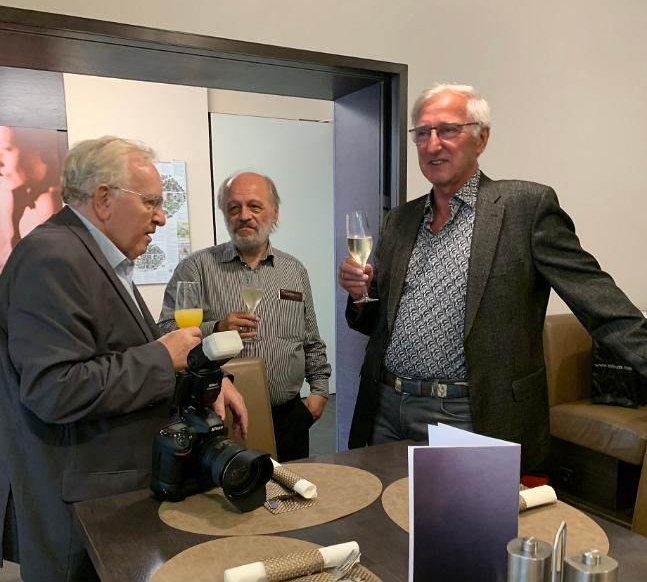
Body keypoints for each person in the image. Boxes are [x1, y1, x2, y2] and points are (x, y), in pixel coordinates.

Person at [338, 83, 647, 472]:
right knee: (382, 508)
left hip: (468, 415)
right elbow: (375, 323)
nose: (433, 144)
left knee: (457, 515)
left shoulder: (525, 208)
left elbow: (598, 299)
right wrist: (360, 294)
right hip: (386, 407)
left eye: (448, 130)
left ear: (481, 138)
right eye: (423, 133)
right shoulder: (399, 220)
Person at [0, 136, 248, 582]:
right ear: (103, 199)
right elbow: (54, 389)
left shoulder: (93, 257)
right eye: (150, 202)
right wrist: (162, 357)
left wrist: (206, 380)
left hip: (107, 495)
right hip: (81, 509)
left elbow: (118, 354)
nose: (161, 217)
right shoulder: (52, 256)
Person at [159, 171, 331, 462]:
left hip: (289, 418)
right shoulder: (195, 268)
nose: (244, 215)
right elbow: (165, 332)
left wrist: (319, 393)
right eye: (233, 208)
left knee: (291, 488)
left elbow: (311, 340)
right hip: (220, 419)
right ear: (224, 214)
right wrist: (217, 328)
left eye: (255, 206)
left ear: (274, 213)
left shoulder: (294, 270)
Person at [0, 125, 64, 272]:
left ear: (34, 151)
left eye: (8, 149)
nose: (0, 162)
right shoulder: (17, 194)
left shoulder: (49, 201)